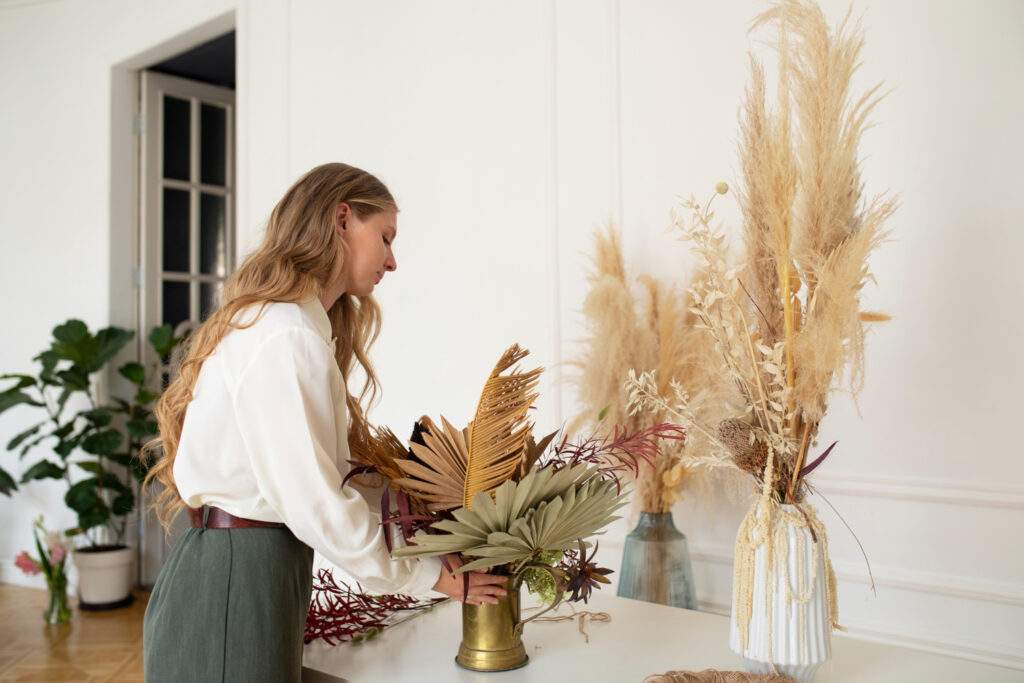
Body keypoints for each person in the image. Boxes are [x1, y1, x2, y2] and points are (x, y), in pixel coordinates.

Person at [142, 162, 507, 681]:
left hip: (255, 570)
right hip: (233, 580)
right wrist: (429, 575)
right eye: (385, 236)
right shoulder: (284, 335)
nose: (393, 260)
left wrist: (432, 515)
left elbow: (328, 480)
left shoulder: (294, 329)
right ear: (341, 219)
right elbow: (316, 502)